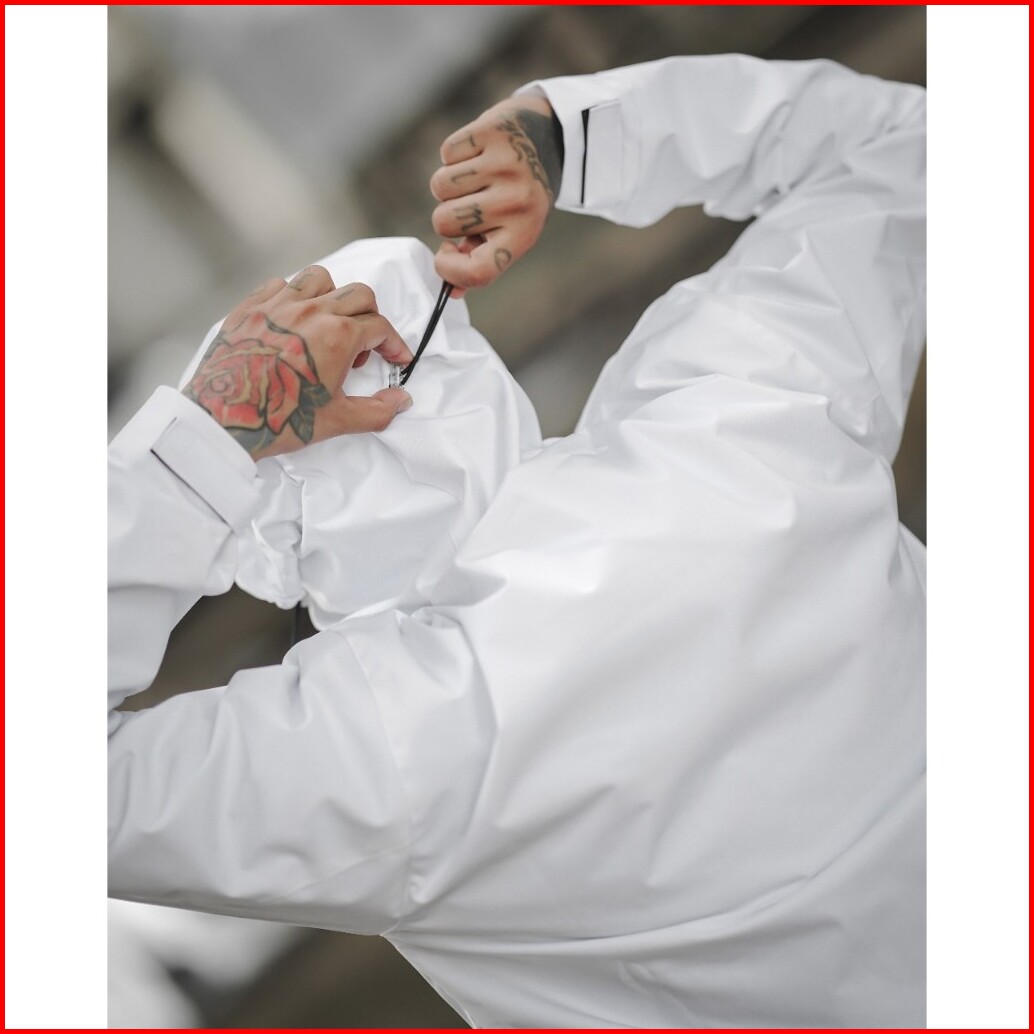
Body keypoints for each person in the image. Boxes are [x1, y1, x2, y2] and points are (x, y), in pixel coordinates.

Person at [109, 55, 926, 1027]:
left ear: (279, 544)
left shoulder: (391, 762)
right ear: (470, 365)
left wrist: (203, 441)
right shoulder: (733, 432)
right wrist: (571, 137)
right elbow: (910, 149)